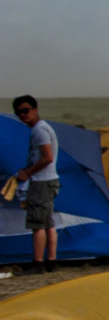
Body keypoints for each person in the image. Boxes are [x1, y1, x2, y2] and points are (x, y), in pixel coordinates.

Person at [12, 95, 60, 271]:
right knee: (48, 223)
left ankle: (38, 263)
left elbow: (47, 158)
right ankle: (51, 261)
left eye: (26, 111)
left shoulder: (39, 131)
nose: (23, 115)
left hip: (41, 182)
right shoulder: (42, 128)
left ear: (35, 109)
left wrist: (27, 173)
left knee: (37, 224)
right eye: (19, 113)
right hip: (49, 181)